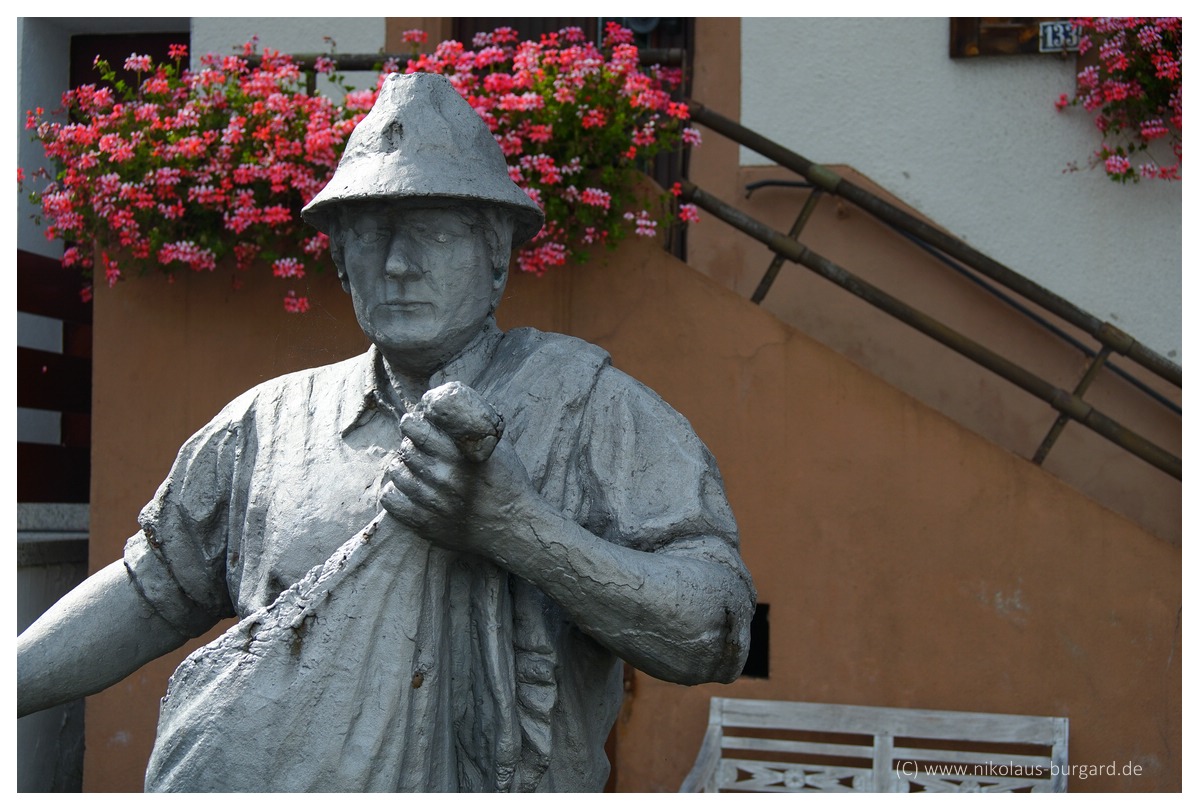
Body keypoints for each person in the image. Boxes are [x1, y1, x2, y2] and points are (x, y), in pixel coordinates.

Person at [17, 72, 754, 792]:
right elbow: (152, 588)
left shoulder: (588, 408)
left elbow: (714, 631)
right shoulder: (268, 425)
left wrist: (516, 529)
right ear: (341, 261)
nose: (399, 264)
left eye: (434, 231)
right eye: (370, 236)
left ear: (496, 254)